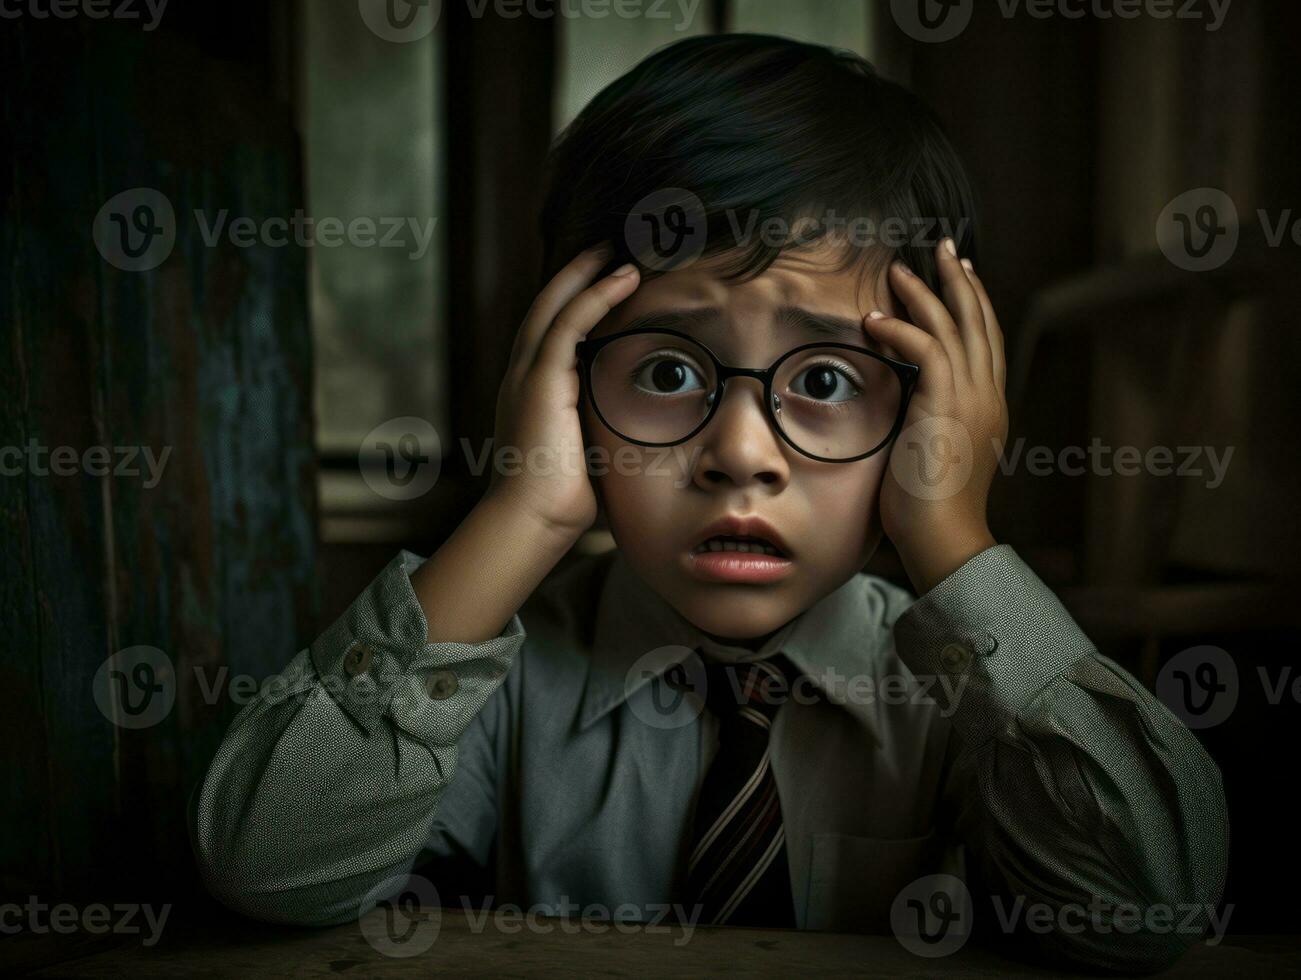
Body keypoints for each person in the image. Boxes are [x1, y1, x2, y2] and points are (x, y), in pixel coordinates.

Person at [190, 34, 1228, 972]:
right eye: (667, 374)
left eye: (823, 381)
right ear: (562, 386)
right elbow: (269, 865)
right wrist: (523, 511)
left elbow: (1146, 906)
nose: (739, 454)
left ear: (927, 411)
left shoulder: (956, 692)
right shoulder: (500, 680)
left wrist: (954, 536)